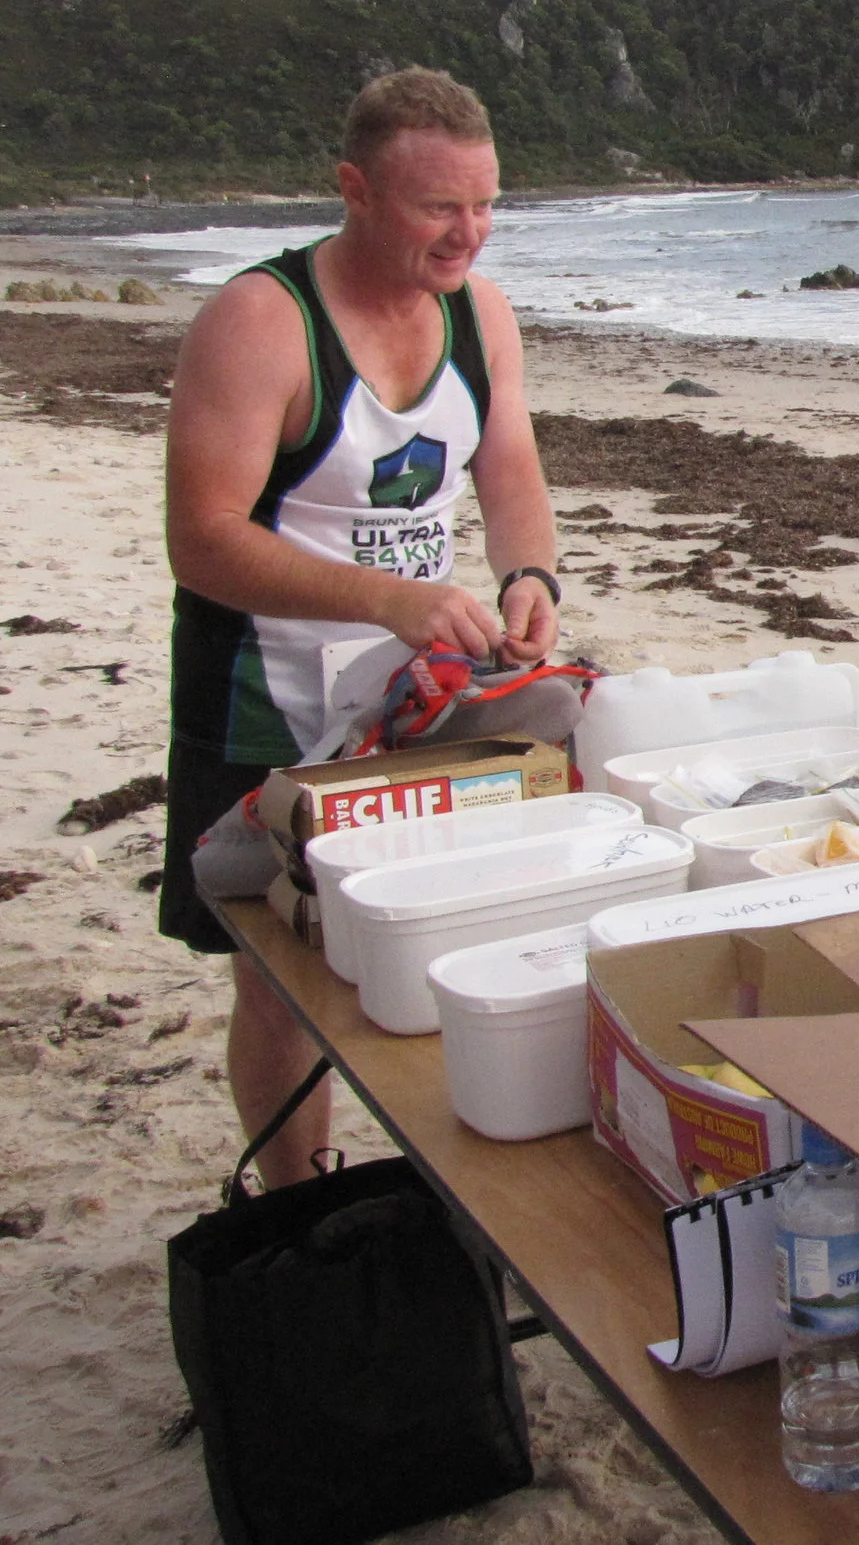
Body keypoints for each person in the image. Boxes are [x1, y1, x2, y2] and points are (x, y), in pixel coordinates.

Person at [162, 66, 561, 1190]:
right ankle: (300, 1196)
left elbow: (510, 464)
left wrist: (528, 571)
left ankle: (453, 1168)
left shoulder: (479, 314)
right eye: (441, 208)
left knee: (437, 930)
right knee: (283, 971)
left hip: (419, 691)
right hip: (263, 696)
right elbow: (202, 539)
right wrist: (387, 597)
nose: (469, 234)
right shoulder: (261, 320)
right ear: (354, 189)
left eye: (486, 206)